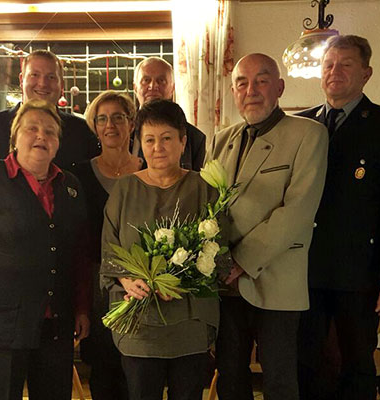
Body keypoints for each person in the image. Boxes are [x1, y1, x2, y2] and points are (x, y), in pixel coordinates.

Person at [297, 35, 380, 400]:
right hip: (304, 273)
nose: (335, 71)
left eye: (346, 64)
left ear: (366, 74)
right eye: (328, 65)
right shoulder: (301, 125)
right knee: (306, 365)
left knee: (355, 368)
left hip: (360, 275)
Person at [0, 99, 92, 400]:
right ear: (14, 137)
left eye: (50, 132)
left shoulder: (71, 186)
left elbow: (79, 256)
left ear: (58, 143)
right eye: (32, 129)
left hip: (55, 325)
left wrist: (80, 308)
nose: (41, 136)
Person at [205, 53, 328, 400]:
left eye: (261, 80)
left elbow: (298, 209)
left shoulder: (308, 134)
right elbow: (208, 208)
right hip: (225, 282)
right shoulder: (219, 139)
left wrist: (241, 261)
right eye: (242, 82)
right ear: (233, 91)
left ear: (279, 88)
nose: (251, 90)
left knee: (279, 378)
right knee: (229, 374)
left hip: (276, 277)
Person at [100, 99, 219, 400]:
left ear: (183, 142)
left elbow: (222, 251)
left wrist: (185, 279)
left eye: (167, 138)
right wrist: (127, 279)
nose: (158, 147)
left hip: (190, 321)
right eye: (149, 140)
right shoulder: (124, 189)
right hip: (138, 322)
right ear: (139, 143)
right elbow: (109, 251)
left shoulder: (204, 187)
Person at [71, 90, 142, 400]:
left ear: (132, 123)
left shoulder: (149, 168)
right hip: (97, 284)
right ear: (94, 126)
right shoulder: (79, 173)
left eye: (118, 117)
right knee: (104, 366)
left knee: (139, 367)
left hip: (142, 281)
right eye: (102, 119)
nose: (110, 125)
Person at [0, 49, 100, 168]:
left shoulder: (81, 130)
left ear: (61, 85)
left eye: (51, 77)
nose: (43, 83)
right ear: (21, 80)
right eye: (34, 75)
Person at [131, 57, 206, 171]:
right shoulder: (123, 132)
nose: (153, 86)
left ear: (172, 88)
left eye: (161, 81)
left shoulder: (194, 138)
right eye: (146, 80)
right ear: (135, 87)